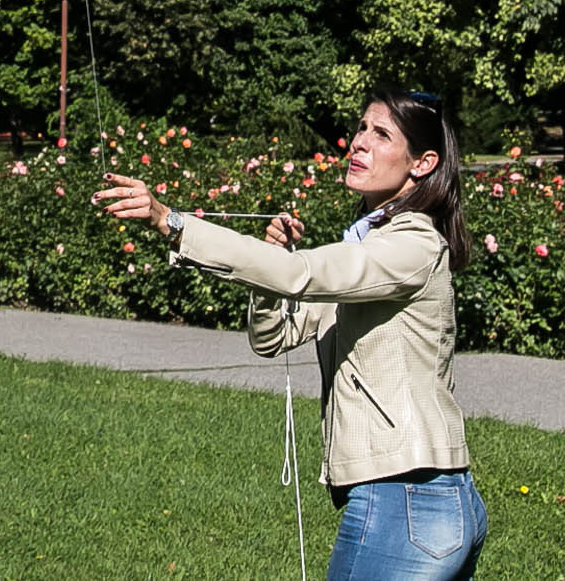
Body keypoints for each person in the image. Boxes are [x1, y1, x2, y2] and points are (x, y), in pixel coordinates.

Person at [94, 91, 488, 581]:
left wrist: (169, 221)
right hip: (425, 502)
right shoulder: (370, 249)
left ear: (422, 164)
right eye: (361, 128)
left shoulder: (412, 244)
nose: (359, 143)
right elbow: (273, 336)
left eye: (381, 134)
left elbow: (296, 275)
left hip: (405, 498)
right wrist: (268, 271)